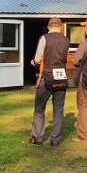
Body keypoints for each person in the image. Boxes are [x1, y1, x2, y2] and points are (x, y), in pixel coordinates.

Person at [29, 17, 71, 147]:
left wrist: (33, 63)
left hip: (46, 76)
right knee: (58, 109)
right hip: (61, 76)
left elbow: (37, 59)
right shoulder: (66, 40)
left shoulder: (44, 38)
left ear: (48, 27)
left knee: (39, 109)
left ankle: (37, 138)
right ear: (60, 27)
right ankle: (55, 140)